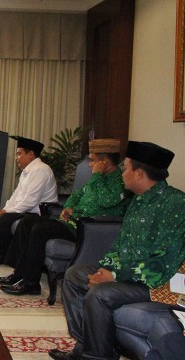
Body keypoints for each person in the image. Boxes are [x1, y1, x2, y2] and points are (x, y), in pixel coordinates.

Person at [48, 141, 185, 360]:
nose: (122, 174)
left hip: (157, 283)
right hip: (125, 274)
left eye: (126, 168)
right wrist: (106, 268)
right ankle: (85, 346)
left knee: (100, 294)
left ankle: (96, 357)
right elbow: (119, 245)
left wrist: (113, 276)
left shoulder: (175, 204)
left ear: (139, 174)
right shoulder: (137, 201)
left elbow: (162, 264)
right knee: (74, 274)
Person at [0, 139, 130, 295]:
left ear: (104, 162)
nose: (90, 165)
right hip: (70, 222)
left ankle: (31, 283)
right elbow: (77, 194)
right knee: (27, 222)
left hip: (87, 229)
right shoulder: (96, 178)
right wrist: (68, 207)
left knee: (39, 230)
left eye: (93, 161)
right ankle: (19, 275)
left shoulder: (120, 181)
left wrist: (97, 176)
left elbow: (106, 201)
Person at [0, 136, 58, 265]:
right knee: (0, 215)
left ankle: (2, 255)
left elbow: (30, 201)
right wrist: (5, 209)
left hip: (40, 213)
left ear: (31, 155)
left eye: (19, 154)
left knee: (5, 218)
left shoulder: (41, 170)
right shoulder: (27, 171)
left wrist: (6, 213)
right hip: (28, 210)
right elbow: (16, 195)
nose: (17, 157)